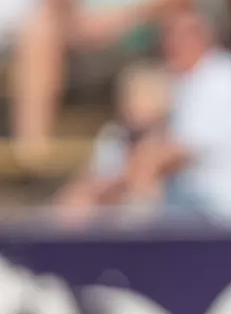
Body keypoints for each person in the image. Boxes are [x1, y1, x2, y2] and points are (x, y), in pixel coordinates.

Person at [12, 0, 216, 154]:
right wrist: (84, 21)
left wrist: (125, 17)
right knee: (40, 28)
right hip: (87, 40)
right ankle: (32, 153)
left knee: (150, 94)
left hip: (153, 44)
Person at [128, 0, 231, 225]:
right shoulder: (183, 80)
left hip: (226, 213)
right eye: (168, 33)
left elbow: (175, 153)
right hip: (198, 205)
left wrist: (138, 168)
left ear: (206, 34)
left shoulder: (225, 78)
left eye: (184, 33)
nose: (173, 42)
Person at [54, 62, 173, 223]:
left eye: (144, 97)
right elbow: (96, 179)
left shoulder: (172, 141)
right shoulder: (113, 136)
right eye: (129, 97)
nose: (133, 105)